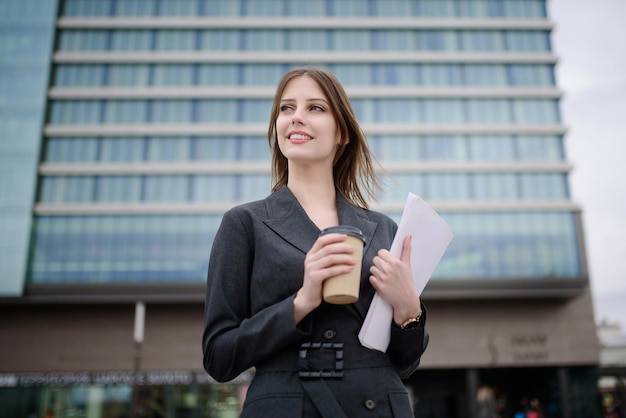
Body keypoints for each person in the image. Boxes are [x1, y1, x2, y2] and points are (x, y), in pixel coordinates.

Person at [202, 66, 429, 417]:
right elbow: (218, 357)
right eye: (286, 108)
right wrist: (301, 302)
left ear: (343, 135)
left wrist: (409, 312)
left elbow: (405, 362)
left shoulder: (383, 228)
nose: (296, 118)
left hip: (378, 405)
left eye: (316, 108)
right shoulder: (244, 223)